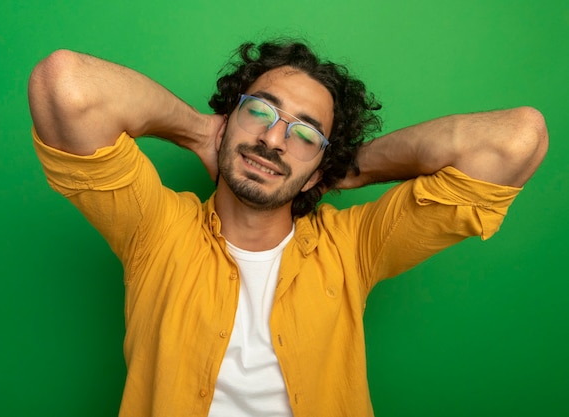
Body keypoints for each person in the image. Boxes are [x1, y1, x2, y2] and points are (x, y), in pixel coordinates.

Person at [28, 40, 548, 417]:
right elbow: (65, 85)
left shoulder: (354, 248)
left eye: (305, 134)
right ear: (228, 121)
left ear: (319, 169)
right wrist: (196, 130)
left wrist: (353, 167)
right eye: (259, 111)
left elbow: (516, 141)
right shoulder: (157, 231)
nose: (275, 140)